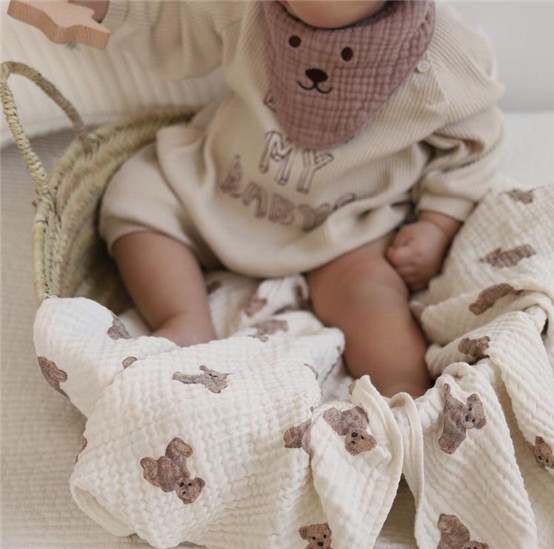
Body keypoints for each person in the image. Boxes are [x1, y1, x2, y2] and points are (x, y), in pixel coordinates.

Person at [70, 0, 505, 397]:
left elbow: (475, 142)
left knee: (373, 298)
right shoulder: (247, 8)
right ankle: (186, 318)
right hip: (217, 188)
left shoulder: (441, 50)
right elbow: (173, 20)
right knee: (138, 198)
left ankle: (405, 399)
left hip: (344, 232)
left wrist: (438, 222)